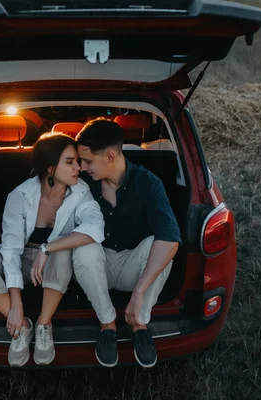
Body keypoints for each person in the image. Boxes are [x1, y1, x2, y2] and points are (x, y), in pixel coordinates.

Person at [0, 132, 105, 367]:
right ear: (50, 168)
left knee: (63, 249)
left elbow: (96, 226)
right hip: (20, 260)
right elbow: (10, 250)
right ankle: (21, 325)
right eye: (70, 162)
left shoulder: (81, 192)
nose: (78, 167)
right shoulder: (20, 195)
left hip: (52, 264)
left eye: (77, 161)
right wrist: (16, 305)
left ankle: (43, 324)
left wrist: (47, 248)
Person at [73, 118, 181, 368]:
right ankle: (107, 324)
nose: (83, 167)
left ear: (110, 156)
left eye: (88, 161)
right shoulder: (82, 182)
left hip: (133, 266)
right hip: (95, 267)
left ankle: (139, 323)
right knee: (83, 247)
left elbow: (170, 239)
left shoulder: (148, 183)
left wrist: (139, 292)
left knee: (161, 245)